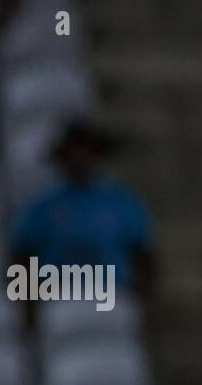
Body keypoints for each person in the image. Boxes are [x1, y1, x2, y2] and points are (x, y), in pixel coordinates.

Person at [11, 118, 157, 330]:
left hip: (111, 294)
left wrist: (147, 303)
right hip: (58, 296)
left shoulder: (121, 201)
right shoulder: (42, 206)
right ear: (63, 158)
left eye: (87, 151)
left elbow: (144, 254)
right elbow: (22, 257)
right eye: (73, 153)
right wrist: (27, 307)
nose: (80, 159)